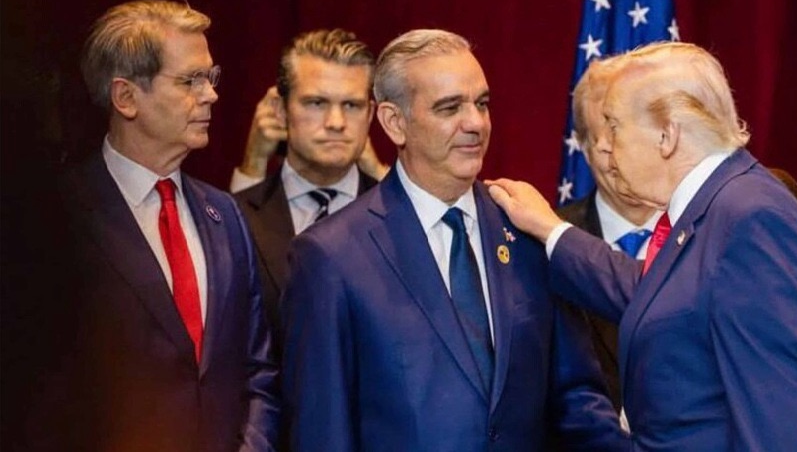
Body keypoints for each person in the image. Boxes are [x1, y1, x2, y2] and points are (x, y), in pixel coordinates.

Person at [488, 42, 797, 451]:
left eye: (614, 125)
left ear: (667, 135)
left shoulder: (751, 221)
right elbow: (661, 294)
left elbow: (783, 431)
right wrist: (551, 230)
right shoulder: (718, 207)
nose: (604, 146)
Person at [281, 29, 628, 451]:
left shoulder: (527, 229)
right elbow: (322, 431)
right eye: (450, 108)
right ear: (394, 122)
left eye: (481, 104)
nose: (475, 123)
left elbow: (575, 399)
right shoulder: (331, 256)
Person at [59, 0, 279, 452]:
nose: (211, 94)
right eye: (190, 80)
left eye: (210, 77)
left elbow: (258, 370)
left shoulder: (225, 214)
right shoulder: (57, 216)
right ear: (126, 98)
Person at [232, 29, 380, 354]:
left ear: (371, 114)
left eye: (352, 105)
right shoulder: (233, 218)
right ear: (281, 110)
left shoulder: (400, 215)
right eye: (316, 102)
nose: (336, 122)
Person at [557, 58, 661, 411]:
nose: (621, 153)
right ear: (585, 148)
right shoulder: (546, 243)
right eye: (609, 133)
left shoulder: (705, 236)